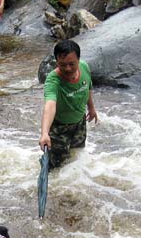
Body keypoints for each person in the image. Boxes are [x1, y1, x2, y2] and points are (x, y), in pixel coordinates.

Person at [39, 40, 98, 169]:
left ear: (79, 59)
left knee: (77, 157)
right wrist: (44, 133)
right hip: (59, 129)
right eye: (62, 64)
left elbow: (87, 88)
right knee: (57, 168)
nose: (68, 69)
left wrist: (92, 108)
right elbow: (50, 105)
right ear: (56, 62)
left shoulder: (84, 67)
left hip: (79, 123)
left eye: (72, 64)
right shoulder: (53, 80)